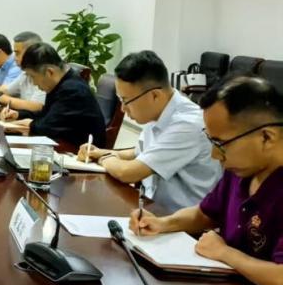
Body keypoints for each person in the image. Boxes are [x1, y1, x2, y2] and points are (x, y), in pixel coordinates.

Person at [132, 77, 283, 285]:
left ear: (267, 137)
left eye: (220, 144)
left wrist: (225, 253)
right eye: (212, 142)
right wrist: (162, 223)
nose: (215, 155)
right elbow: (205, 213)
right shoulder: (242, 169)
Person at [78, 51, 220, 211]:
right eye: (120, 100)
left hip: (182, 221)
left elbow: (128, 173)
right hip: (152, 209)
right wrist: (101, 152)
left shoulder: (187, 125)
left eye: (126, 100)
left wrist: (105, 158)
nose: (123, 109)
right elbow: (140, 152)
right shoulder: (159, 111)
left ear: (154, 96)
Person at [1, 42, 106, 148]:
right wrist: (19, 115)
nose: (34, 83)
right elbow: (48, 114)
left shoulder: (72, 90)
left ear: (49, 72)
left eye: (33, 77)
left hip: (79, 151)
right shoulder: (60, 84)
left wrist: (29, 125)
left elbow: (48, 127)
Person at [0, 31, 46, 114]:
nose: (14, 58)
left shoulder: (45, 74)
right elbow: (6, 91)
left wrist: (1, 98)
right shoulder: (25, 74)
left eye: (17, 53)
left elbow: (36, 106)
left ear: (32, 52)